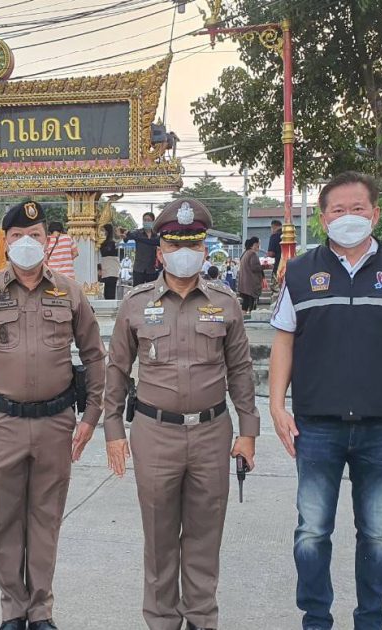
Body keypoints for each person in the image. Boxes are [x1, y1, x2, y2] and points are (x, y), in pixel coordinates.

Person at [269, 171, 382, 630]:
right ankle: (315, 619)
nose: (348, 217)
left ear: (375, 214)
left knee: (378, 534)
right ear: (323, 219)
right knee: (311, 532)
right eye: (338, 210)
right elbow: (283, 340)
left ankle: (370, 620)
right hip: (316, 426)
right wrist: (277, 405)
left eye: (357, 208)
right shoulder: (300, 272)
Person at [0, 200, 105, 630]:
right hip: (3, 423)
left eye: (34, 236)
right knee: (7, 520)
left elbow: (94, 355)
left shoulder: (69, 292)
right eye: (16, 236)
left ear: (47, 240)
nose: (26, 243)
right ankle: (12, 611)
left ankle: (41, 611)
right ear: (5, 241)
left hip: (57, 422)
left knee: (46, 520)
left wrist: (91, 415)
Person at [103, 198, 260, 630]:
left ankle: (201, 619)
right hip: (155, 434)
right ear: (161, 251)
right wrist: (113, 429)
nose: (184, 252)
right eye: (175, 244)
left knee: (205, 538)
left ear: (205, 248)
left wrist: (248, 431)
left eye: (193, 244)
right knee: (159, 539)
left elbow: (240, 369)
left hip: (212, 434)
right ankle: (162, 621)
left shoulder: (225, 303)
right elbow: (117, 369)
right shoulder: (136, 303)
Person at [124, 212, 162, 285]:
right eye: (144, 220)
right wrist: (125, 235)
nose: (146, 222)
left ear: (153, 222)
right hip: (139, 268)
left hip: (152, 269)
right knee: (137, 290)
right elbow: (128, 237)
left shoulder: (156, 235)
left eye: (148, 220)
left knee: (151, 290)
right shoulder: (137, 233)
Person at [238, 237, 264, 315]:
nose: (259, 247)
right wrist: (265, 266)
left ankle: (243, 318)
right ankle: (251, 318)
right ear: (254, 244)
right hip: (251, 283)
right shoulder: (252, 254)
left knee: (245, 303)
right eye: (258, 245)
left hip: (244, 283)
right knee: (252, 304)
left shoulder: (245, 253)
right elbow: (255, 267)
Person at [99, 223, 120, 299]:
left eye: (103, 230)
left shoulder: (111, 243)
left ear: (107, 231)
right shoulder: (105, 243)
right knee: (106, 291)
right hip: (106, 269)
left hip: (111, 270)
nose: (102, 233)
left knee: (110, 291)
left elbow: (106, 251)